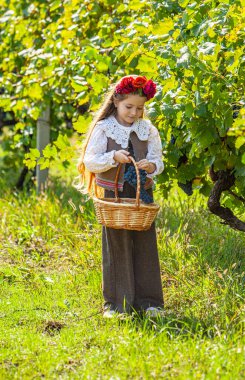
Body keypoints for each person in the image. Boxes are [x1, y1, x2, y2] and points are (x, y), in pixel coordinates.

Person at [77, 75, 164, 318]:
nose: (134, 112)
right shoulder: (104, 128)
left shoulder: (147, 130)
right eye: (129, 107)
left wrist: (150, 166)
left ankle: (150, 302)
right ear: (116, 100)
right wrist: (112, 158)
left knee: (145, 245)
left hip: (141, 193)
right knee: (116, 244)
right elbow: (90, 161)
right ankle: (117, 304)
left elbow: (159, 161)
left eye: (140, 108)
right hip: (113, 194)